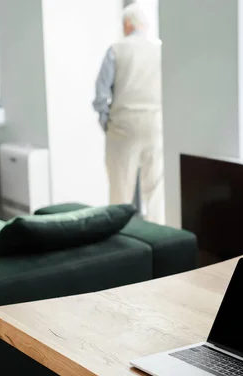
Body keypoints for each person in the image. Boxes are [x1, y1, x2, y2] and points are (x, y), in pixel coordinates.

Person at [93, 3, 164, 224]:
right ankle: (158, 235)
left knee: (120, 189)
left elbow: (101, 93)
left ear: (127, 24)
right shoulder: (160, 48)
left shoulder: (116, 49)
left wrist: (105, 121)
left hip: (123, 127)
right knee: (155, 192)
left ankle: (121, 239)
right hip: (155, 126)